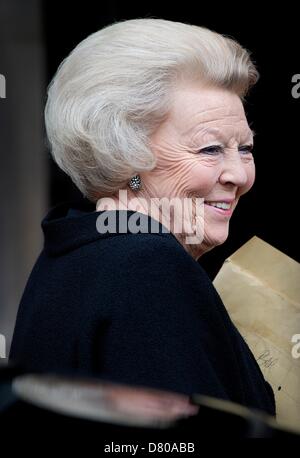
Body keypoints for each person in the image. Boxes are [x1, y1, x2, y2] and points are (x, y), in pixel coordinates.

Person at [9, 19, 276, 417]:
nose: (239, 175)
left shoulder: (79, 241)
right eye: (209, 150)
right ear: (125, 156)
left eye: (246, 148)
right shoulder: (146, 264)